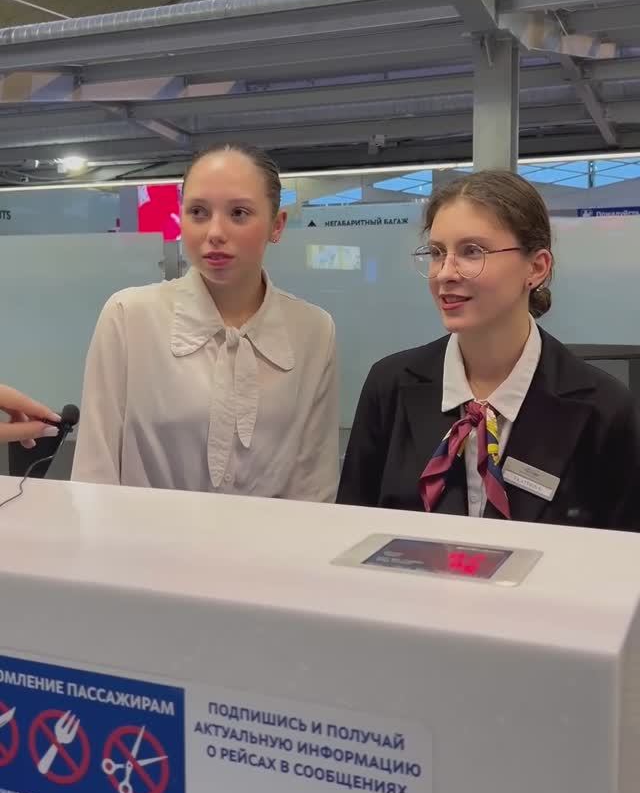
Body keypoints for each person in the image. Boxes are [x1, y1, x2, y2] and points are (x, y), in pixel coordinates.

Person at [338, 170, 640, 531]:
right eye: (437, 253)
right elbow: (351, 530)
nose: (445, 273)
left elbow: (623, 554)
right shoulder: (390, 386)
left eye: (472, 251)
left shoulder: (602, 408)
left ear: (536, 267)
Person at [72, 143, 338, 501]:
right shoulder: (129, 316)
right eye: (198, 212)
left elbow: (315, 482)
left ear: (277, 225)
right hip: (144, 535)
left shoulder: (313, 329)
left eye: (239, 213)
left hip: (269, 537)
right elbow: (93, 472)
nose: (215, 232)